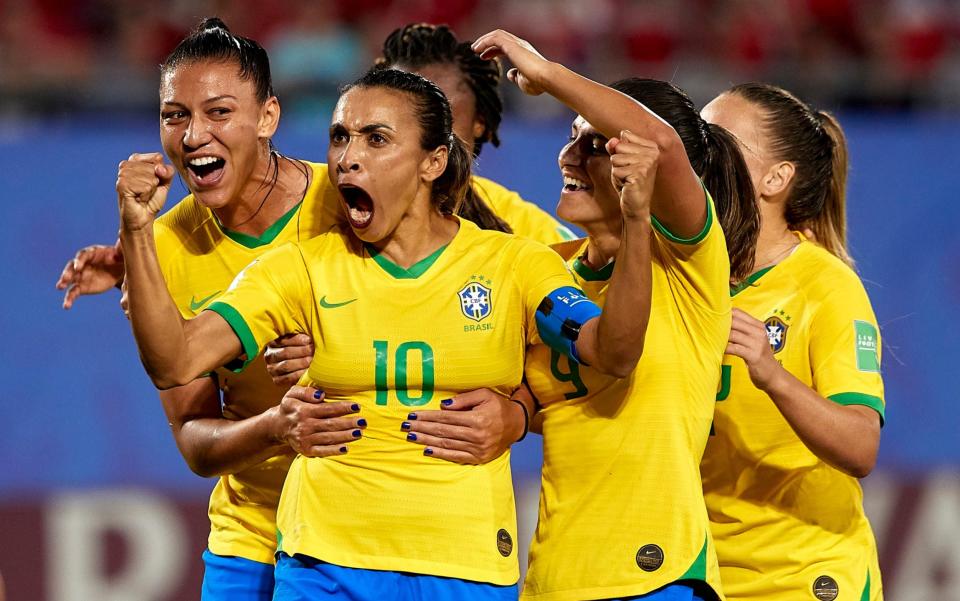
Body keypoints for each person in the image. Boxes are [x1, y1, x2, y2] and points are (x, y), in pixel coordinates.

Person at [117, 64, 654, 600]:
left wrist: (635, 222)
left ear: (433, 162)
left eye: (376, 139)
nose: (348, 157)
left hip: (464, 565)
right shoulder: (299, 269)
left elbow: (611, 350)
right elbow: (177, 360)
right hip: (323, 563)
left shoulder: (514, 264)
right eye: (339, 137)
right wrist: (138, 232)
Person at [57, 18, 363, 601]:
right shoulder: (161, 249)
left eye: (220, 112)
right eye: (176, 116)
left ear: (268, 117)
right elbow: (194, 440)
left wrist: (331, 350)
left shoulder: (348, 204)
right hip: (253, 533)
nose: (194, 135)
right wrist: (276, 428)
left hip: (363, 523)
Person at [471, 32, 758, 601]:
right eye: (570, 138)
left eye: (595, 143)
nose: (568, 156)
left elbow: (663, 141)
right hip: (554, 576)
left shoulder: (687, 262)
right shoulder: (549, 271)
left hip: (658, 575)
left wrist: (548, 74)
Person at [700, 83, 885, 600]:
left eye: (719, 140)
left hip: (804, 576)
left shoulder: (826, 286)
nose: (700, 152)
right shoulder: (690, 276)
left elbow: (861, 445)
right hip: (706, 572)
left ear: (775, 179)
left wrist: (773, 375)